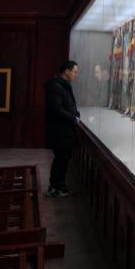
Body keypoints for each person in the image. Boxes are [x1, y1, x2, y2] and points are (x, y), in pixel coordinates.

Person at [45, 60, 80, 197]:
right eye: (74, 72)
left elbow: (68, 104)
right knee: (60, 159)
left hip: (65, 130)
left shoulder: (64, 85)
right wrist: (72, 117)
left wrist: (75, 113)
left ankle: (59, 185)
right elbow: (56, 109)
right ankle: (55, 187)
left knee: (63, 159)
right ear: (67, 71)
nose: (76, 74)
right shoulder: (56, 86)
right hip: (60, 131)